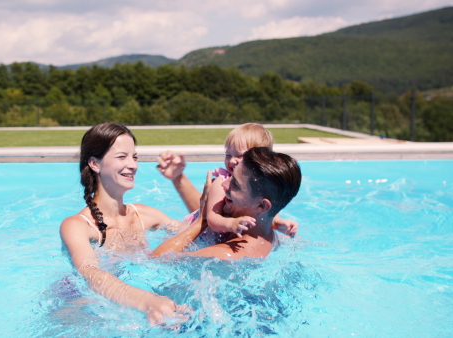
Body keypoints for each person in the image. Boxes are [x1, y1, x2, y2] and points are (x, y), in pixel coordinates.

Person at [59, 123, 188, 326]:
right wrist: (147, 301)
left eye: (134, 157)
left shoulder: (145, 215)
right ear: (95, 163)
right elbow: (91, 274)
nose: (133, 165)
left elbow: (195, 233)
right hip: (86, 308)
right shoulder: (77, 226)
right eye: (122, 157)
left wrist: (178, 179)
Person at [152, 147, 302, 260]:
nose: (224, 185)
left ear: (261, 206)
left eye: (235, 185)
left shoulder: (225, 254)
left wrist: (202, 221)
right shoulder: (271, 235)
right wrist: (178, 178)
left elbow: (157, 259)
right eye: (230, 176)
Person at [156, 123, 298, 239]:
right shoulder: (222, 182)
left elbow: (267, 212)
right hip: (191, 231)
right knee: (170, 231)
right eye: (228, 155)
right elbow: (211, 219)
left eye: (240, 156)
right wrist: (231, 223)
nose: (231, 160)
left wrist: (278, 222)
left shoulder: (261, 188)